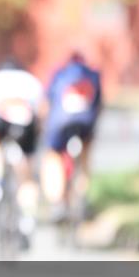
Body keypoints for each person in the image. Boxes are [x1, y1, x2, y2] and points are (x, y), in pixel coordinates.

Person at [0, 58, 44, 248]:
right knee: (27, 177)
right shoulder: (31, 82)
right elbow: (41, 114)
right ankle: (28, 218)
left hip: (0, 120)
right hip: (26, 124)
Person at [40, 51, 102, 222]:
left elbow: (48, 103)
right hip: (85, 123)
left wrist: (44, 125)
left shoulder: (59, 74)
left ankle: (57, 202)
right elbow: (98, 106)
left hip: (61, 122)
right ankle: (82, 196)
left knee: (53, 155)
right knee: (84, 156)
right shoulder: (93, 75)